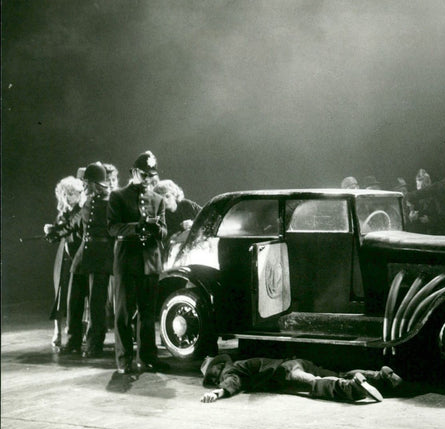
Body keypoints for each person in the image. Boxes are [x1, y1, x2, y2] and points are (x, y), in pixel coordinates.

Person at [107, 151, 168, 374]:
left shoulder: (158, 200)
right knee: (123, 313)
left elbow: (163, 231)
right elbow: (112, 227)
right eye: (144, 174)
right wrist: (137, 227)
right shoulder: (118, 196)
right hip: (126, 261)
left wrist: (156, 229)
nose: (148, 179)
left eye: (151, 175)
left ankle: (148, 358)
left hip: (150, 263)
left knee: (147, 314)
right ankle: (124, 360)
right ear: (133, 172)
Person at [61, 162, 115, 358]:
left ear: (96, 183)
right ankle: (73, 340)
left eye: (86, 182)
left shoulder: (111, 202)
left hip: (101, 257)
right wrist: (57, 231)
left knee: (96, 304)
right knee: (73, 300)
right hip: (82, 256)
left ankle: (94, 345)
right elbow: (75, 224)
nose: (83, 185)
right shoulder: (87, 201)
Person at [199, 354, 403, 404]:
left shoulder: (230, 370)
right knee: (334, 373)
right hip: (297, 362)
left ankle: (352, 388)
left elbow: (232, 381)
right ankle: (379, 376)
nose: (214, 377)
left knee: (314, 384)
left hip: (284, 373)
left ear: (217, 369)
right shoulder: (243, 362)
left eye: (212, 375)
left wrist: (218, 392)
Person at [44, 176, 85, 351]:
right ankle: (57, 331)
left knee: (75, 297)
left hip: (78, 256)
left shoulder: (82, 211)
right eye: (64, 194)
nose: (67, 198)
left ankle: (74, 332)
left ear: (78, 194)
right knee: (60, 294)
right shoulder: (63, 214)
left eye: (71, 194)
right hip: (64, 257)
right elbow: (54, 238)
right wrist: (49, 231)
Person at [407, 169, 442, 234]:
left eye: (422, 189)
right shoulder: (414, 199)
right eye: (418, 189)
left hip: (434, 234)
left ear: (428, 185)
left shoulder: (436, 198)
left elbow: (443, 218)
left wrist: (430, 220)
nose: (420, 193)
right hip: (418, 234)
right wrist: (411, 217)